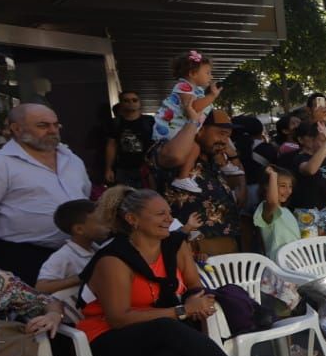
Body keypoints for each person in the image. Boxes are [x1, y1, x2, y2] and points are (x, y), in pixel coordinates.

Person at [78, 189, 272, 356]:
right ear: (132, 219)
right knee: (167, 329)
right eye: (160, 214)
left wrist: (199, 301)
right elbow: (118, 317)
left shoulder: (175, 244)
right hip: (109, 339)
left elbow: (194, 285)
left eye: (169, 212)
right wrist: (181, 310)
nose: (169, 219)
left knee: (175, 350)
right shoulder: (113, 259)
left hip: (162, 331)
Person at [0, 104, 94, 286]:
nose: (52, 131)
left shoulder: (71, 159)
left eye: (56, 125)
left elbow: (84, 197)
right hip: (22, 256)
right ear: (16, 128)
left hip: (75, 252)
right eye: (43, 125)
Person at [164, 111, 245, 256]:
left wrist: (233, 156)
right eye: (221, 133)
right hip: (192, 247)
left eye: (228, 135)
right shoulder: (177, 154)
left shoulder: (214, 159)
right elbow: (172, 156)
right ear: (200, 130)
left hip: (227, 244)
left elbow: (239, 189)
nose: (225, 141)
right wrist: (193, 123)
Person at [151, 51, 222, 194]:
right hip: (171, 129)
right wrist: (212, 96)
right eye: (207, 73)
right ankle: (182, 177)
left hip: (181, 130)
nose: (211, 76)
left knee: (195, 148)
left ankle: (182, 177)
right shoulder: (184, 87)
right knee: (193, 148)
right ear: (192, 73)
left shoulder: (198, 90)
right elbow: (193, 107)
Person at [34, 199, 110, 296]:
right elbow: (41, 287)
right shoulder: (63, 256)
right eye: (101, 222)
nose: (108, 225)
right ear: (79, 229)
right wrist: (81, 277)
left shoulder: (98, 250)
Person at [280, 119, 326, 212]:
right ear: (311, 140)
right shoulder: (301, 158)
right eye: (323, 140)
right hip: (312, 214)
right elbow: (310, 170)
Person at [104, 91, 155, 187]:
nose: (131, 103)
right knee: (126, 198)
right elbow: (111, 145)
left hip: (148, 168)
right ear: (121, 104)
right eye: (126, 100)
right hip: (124, 168)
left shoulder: (150, 121)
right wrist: (108, 169)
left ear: (139, 103)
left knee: (149, 197)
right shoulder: (115, 123)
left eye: (134, 100)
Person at [253, 166, 302, 259]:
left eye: (290, 186)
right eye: (282, 186)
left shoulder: (287, 210)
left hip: (296, 261)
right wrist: (273, 175)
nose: (288, 191)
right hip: (279, 264)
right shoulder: (265, 208)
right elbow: (272, 202)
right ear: (267, 186)